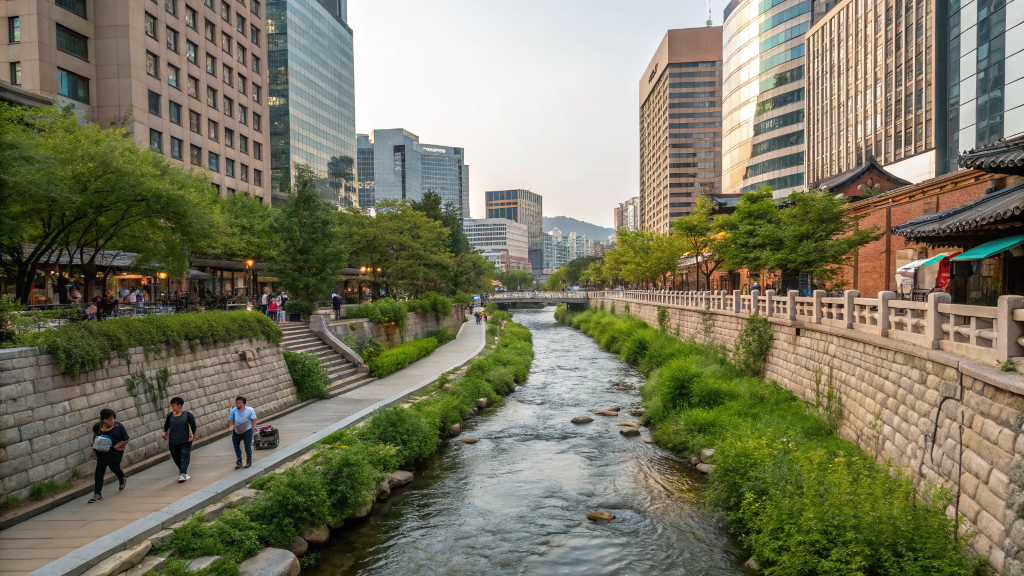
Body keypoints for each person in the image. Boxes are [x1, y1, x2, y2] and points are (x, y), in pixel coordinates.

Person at [88, 409, 129, 503]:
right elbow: (95, 437)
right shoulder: (97, 427)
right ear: (104, 420)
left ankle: (121, 478)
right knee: (99, 472)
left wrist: (121, 445)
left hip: (115, 452)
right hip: (102, 452)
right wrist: (94, 450)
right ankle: (97, 494)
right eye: (110, 419)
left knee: (113, 467)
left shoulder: (119, 427)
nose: (113, 420)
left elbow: (126, 439)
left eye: (113, 418)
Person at [162, 397, 196, 483]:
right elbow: (166, 426)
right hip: (173, 442)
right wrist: (164, 432)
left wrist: (192, 435)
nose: (172, 408)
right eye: (171, 406)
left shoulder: (188, 415)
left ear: (179, 405)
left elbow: (193, 426)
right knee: (176, 458)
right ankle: (183, 472)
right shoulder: (170, 416)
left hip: (185, 441)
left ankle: (182, 474)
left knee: (184, 456)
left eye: (173, 406)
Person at [229, 396, 257, 469]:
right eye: (237, 403)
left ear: (244, 403)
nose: (238, 404)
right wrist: (231, 426)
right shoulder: (233, 411)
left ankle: (249, 460)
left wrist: (253, 428)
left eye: (239, 403)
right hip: (237, 430)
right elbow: (231, 420)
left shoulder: (250, 410)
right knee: (236, 445)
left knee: (247, 446)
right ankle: (239, 460)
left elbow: (254, 419)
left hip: (247, 430)